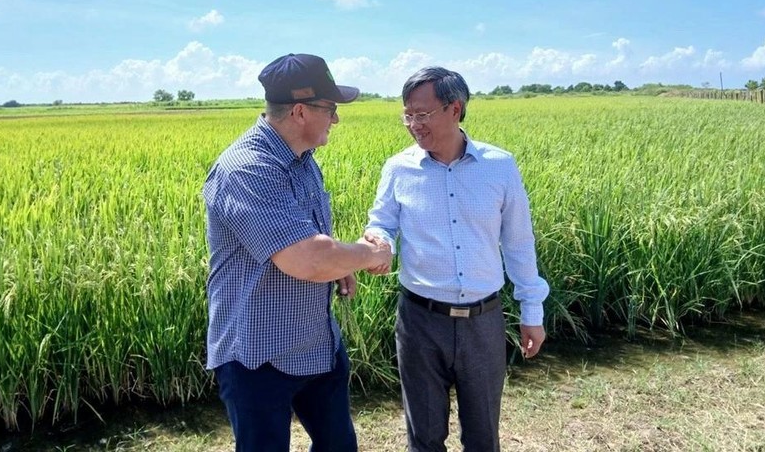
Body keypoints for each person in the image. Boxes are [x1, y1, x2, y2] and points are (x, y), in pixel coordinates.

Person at [203, 53, 392, 452]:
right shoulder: (247, 168)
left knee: (339, 446)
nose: (336, 119)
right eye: (331, 109)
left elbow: (313, 242)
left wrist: (339, 264)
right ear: (302, 111)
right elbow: (306, 258)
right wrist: (367, 254)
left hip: (316, 342)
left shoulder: (304, 160)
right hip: (258, 355)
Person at [365, 66, 550, 452]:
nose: (413, 124)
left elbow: (518, 242)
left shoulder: (499, 166)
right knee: (425, 437)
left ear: (455, 109)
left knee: (483, 436)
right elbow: (381, 223)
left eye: (423, 113)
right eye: (408, 114)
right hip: (420, 322)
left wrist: (532, 311)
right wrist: (379, 242)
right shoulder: (399, 168)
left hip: (483, 323)